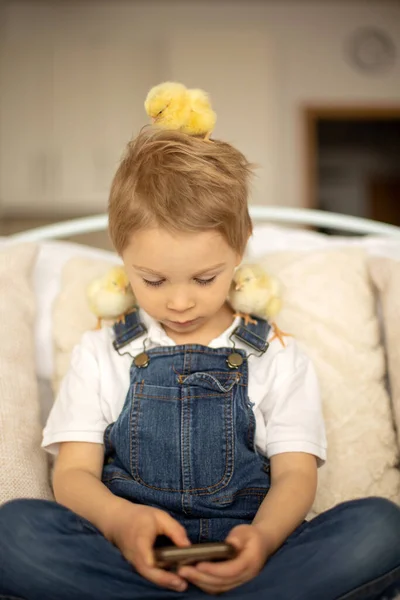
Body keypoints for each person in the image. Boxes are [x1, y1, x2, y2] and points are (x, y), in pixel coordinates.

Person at [0, 124, 399, 600]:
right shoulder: (101, 349)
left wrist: (264, 539)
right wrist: (122, 523)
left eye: (205, 278)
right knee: (14, 530)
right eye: (154, 280)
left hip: (255, 558)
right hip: (128, 558)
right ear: (120, 251)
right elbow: (73, 475)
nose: (181, 302)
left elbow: (296, 473)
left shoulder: (276, 352)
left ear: (241, 246)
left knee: (380, 526)